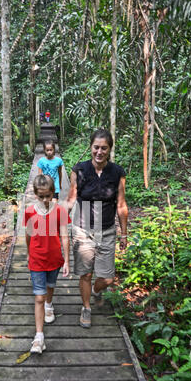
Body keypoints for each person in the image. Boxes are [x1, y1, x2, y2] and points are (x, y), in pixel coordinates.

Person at [65, 128, 128, 328]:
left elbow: (121, 204)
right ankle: (86, 307)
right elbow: (71, 199)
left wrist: (124, 233)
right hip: (83, 229)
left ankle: (97, 291)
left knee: (107, 277)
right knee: (85, 274)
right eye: (96, 147)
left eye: (104, 148)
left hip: (108, 229)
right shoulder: (79, 170)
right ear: (90, 147)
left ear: (109, 150)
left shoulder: (117, 172)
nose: (99, 152)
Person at [24, 174, 71, 354]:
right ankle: (39, 337)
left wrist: (66, 260)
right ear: (36, 194)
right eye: (41, 196)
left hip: (54, 258)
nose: (45, 200)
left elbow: (65, 235)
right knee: (38, 296)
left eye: (48, 196)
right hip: (36, 259)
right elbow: (28, 234)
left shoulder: (60, 211)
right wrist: (28, 253)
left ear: (53, 193)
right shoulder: (30, 211)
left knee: (50, 286)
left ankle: (49, 305)